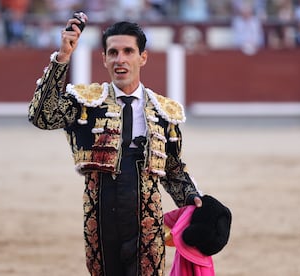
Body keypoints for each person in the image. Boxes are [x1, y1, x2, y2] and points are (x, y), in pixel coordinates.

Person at [28, 15, 203, 275]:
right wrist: (63, 56)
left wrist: (192, 199)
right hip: (100, 219)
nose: (120, 59)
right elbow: (42, 116)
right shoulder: (86, 103)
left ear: (142, 57)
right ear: (104, 59)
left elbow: (173, 169)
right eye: (113, 52)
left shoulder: (163, 111)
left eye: (128, 51)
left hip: (146, 221)